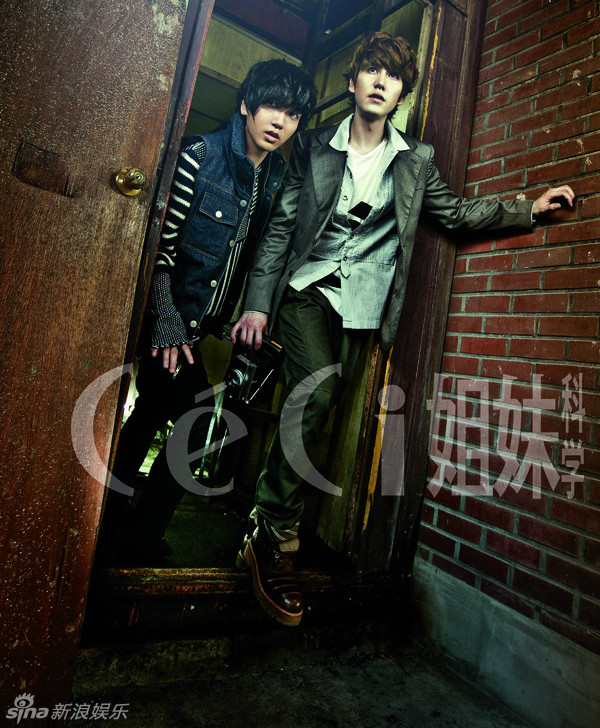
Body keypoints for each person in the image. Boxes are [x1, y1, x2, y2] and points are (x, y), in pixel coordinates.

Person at [231, 31, 575, 627]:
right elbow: (282, 230)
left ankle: (275, 521)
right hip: (307, 287)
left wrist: (527, 208)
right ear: (353, 82)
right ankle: (273, 529)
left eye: (392, 75)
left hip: (362, 304)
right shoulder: (312, 146)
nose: (380, 81)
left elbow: (456, 213)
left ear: (400, 94)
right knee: (317, 389)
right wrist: (258, 304)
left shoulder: (414, 160)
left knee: (324, 406)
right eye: (372, 69)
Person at [99, 59, 316, 566]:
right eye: (271, 106)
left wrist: (240, 315)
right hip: (167, 319)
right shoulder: (199, 155)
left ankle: (112, 526)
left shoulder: (274, 177)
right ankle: (137, 538)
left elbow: (252, 255)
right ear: (245, 105)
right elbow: (159, 249)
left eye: (292, 114)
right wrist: (166, 322)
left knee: (151, 414)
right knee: (190, 422)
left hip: (200, 329)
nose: (280, 121)